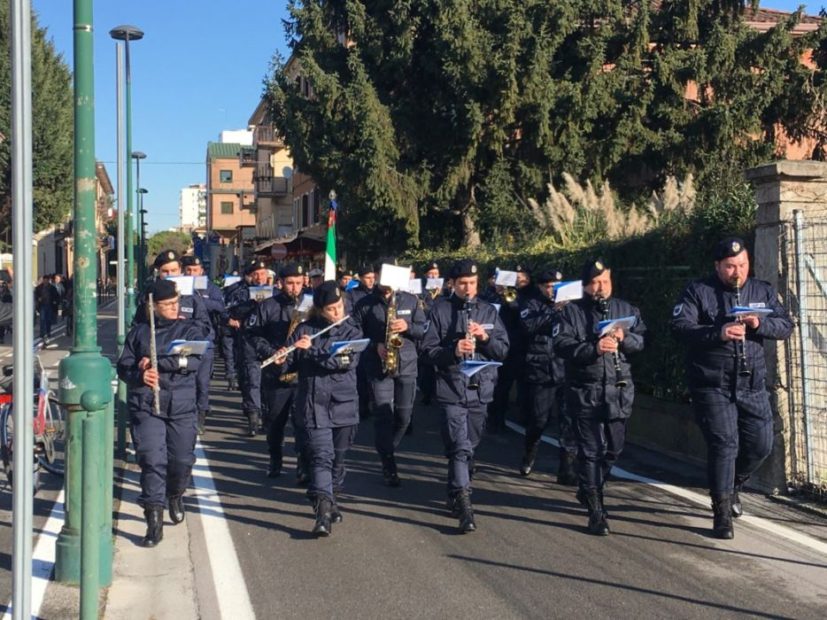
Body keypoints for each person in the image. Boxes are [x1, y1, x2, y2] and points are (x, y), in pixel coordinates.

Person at [670, 237, 792, 539]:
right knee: (725, 445)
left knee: (761, 445)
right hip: (713, 384)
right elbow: (680, 327)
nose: (737, 271)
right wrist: (719, 333)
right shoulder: (698, 291)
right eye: (730, 266)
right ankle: (721, 512)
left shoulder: (761, 290)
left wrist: (758, 325)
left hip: (751, 382)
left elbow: (785, 325)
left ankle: (733, 485)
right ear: (717, 266)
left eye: (742, 265)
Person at [555, 258, 646, 536]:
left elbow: (641, 341)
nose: (600, 287)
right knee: (591, 450)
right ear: (585, 286)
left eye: (605, 281)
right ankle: (596, 511)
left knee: (614, 449)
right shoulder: (571, 312)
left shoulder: (626, 310)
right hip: (585, 390)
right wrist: (593, 348)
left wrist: (625, 338)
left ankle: (589, 487)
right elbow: (561, 345)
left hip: (617, 390)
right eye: (595, 283)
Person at [421, 259, 509, 533]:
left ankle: (456, 486)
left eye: (472, 284)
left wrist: (485, 339)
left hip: (480, 388)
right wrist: (454, 351)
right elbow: (427, 351)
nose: (468, 288)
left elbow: (503, 350)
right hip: (451, 387)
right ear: (453, 284)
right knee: (459, 447)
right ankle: (465, 503)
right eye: (463, 284)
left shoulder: (488, 311)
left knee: (469, 446)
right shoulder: (439, 310)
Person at [116, 278, 204, 547]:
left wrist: (157, 362)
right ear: (153, 306)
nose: (173, 308)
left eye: (176, 303)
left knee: (181, 460)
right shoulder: (139, 333)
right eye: (167, 305)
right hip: (146, 405)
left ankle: (176, 493)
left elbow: (193, 360)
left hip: (181, 404)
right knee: (152, 460)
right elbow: (124, 367)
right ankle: (153, 520)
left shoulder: (190, 329)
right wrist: (140, 374)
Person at [279, 280, 363, 536]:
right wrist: (283, 358)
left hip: (344, 403)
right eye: (330, 309)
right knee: (321, 457)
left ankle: (331, 496)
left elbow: (344, 362)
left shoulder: (353, 330)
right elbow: (288, 368)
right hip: (313, 403)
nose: (336, 312)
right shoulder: (304, 329)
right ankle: (323, 513)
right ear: (319, 309)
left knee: (338, 458)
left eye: (338, 306)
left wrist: (313, 349)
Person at [353, 272, 427, 486]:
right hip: (378, 367)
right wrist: (375, 345)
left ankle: (387, 449)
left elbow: (423, 329)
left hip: (407, 364)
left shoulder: (411, 300)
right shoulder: (364, 304)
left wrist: (408, 327)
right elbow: (354, 334)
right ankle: (388, 464)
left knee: (404, 418)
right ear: (377, 277)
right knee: (383, 416)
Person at [249, 263, 310, 479]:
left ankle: (304, 464)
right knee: (275, 422)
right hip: (276, 373)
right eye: (290, 283)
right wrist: (272, 352)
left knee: (304, 422)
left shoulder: (311, 305)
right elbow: (254, 335)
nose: (295, 288)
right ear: (280, 283)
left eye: (299, 283)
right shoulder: (267, 306)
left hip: (303, 372)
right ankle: (275, 459)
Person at [517, 269, 578, 484]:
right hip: (541, 368)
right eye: (549, 286)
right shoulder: (530, 303)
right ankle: (530, 452)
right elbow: (529, 326)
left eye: (557, 286)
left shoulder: (571, 306)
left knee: (568, 419)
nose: (553, 290)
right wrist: (553, 309)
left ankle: (567, 468)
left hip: (566, 367)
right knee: (539, 419)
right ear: (541, 287)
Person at [226, 259, 271, 436]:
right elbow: (229, 311)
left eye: (263, 273)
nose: (260, 277)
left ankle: (267, 416)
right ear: (250, 275)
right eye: (256, 274)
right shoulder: (240, 292)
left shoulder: (274, 292)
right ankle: (253, 417)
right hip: (248, 340)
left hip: (269, 341)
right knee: (251, 379)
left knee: (268, 381)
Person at [181, 255, 225, 434]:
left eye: (195, 270)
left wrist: (200, 301)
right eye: (188, 270)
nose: (192, 273)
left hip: (206, 341)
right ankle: (188, 415)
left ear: (201, 271)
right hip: (183, 343)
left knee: (202, 382)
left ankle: (201, 416)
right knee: (186, 382)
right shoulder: (178, 290)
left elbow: (220, 307)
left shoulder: (210, 288)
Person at [35, 275, 58, 341]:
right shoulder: (39, 287)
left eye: (46, 280)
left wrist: (55, 301)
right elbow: (36, 295)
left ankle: (48, 332)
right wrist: (38, 299)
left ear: (48, 280)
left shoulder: (52, 288)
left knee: (48, 320)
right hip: (42, 305)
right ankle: (42, 333)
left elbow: (56, 295)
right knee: (42, 319)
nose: (45, 281)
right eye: (44, 280)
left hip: (50, 305)